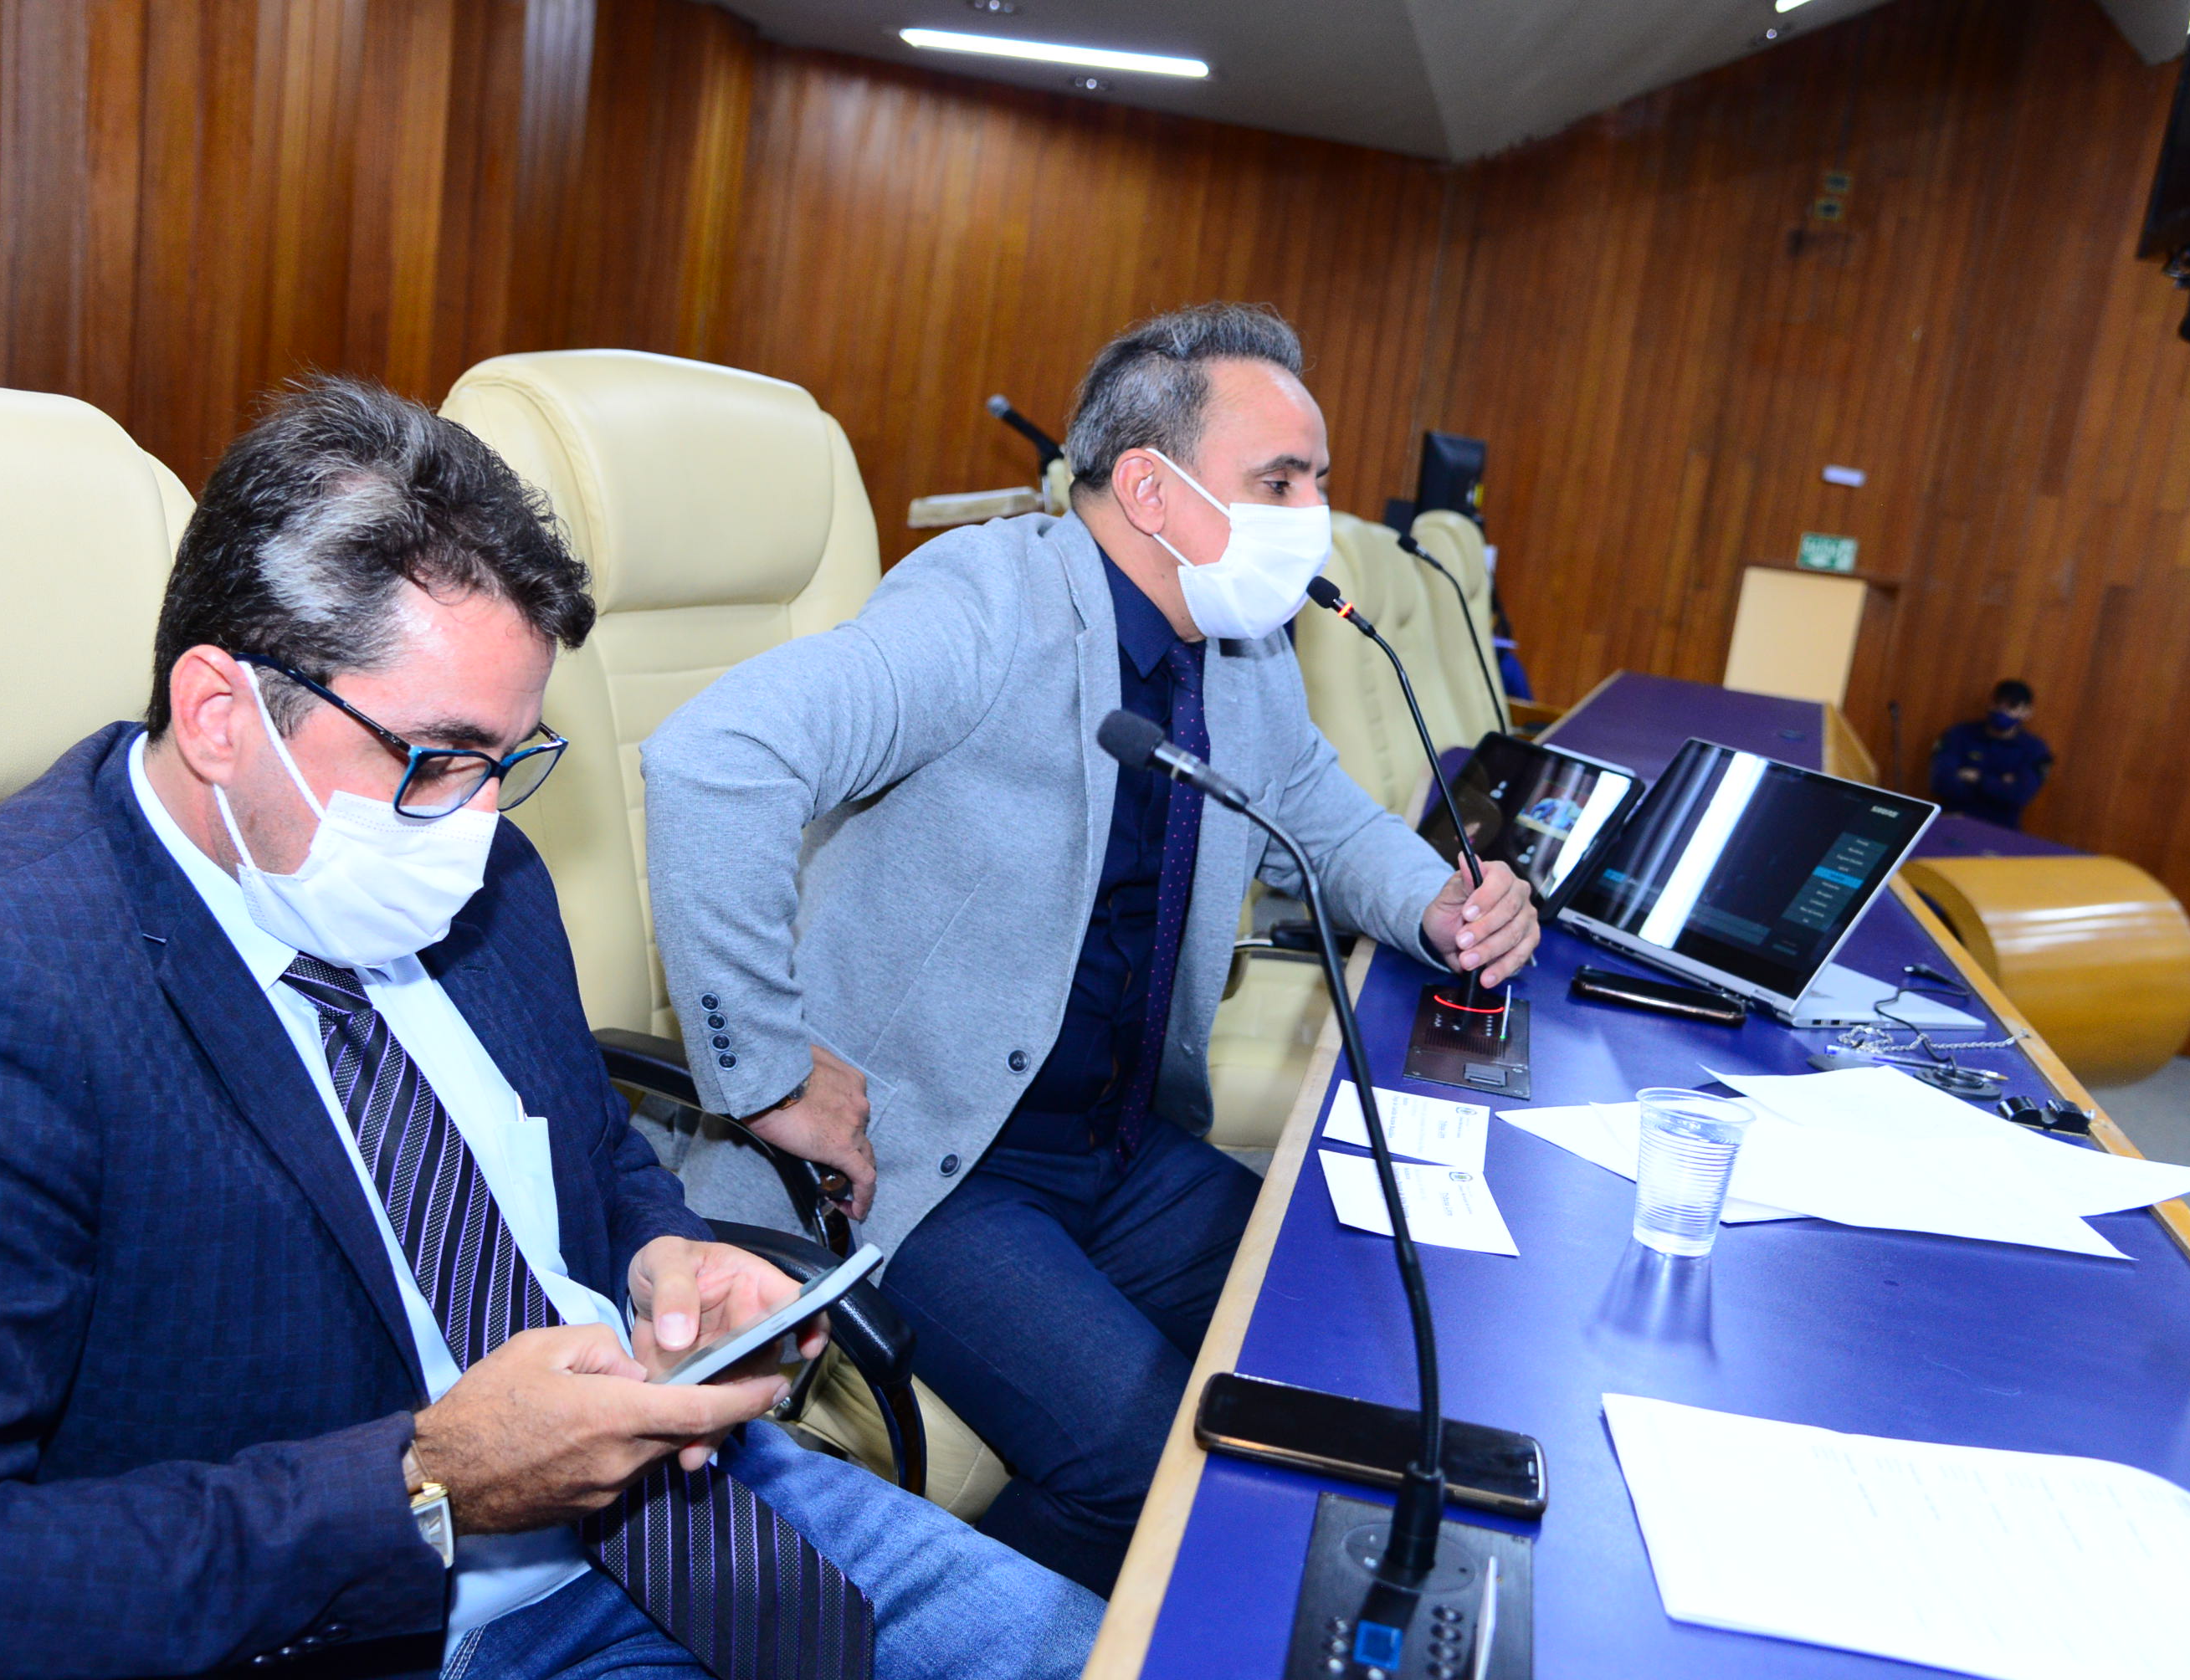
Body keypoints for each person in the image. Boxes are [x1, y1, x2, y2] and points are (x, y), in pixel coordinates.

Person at [0, 379, 1100, 1679]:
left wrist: (665, 1260)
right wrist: (425, 1484)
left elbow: (592, 1152)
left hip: (693, 1500)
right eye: (434, 758)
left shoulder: (473, 870)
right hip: (381, 1621)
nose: (474, 821)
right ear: (223, 715)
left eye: (506, 760)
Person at [640, 304, 1541, 1593]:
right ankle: (911, 1632)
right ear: (1151, 490)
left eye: (1318, 482)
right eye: (1280, 482)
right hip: (933, 1160)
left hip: (1116, 1144)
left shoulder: (1239, 649)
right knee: (1152, 1459)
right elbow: (711, 760)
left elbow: (1324, 815)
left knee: (1344, 1319)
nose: (1316, 515)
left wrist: (1439, 905)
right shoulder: (985, 602)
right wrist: (769, 1072)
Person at [1931, 679, 2054, 830]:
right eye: (1997, 703)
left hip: (2001, 829)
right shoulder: (1959, 734)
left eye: (2012, 706)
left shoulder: (2035, 749)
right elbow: (1942, 783)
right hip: (1955, 820)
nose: (2002, 711)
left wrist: (1977, 778)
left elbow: (2020, 795)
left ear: (2027, 712)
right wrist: (2001, 783)